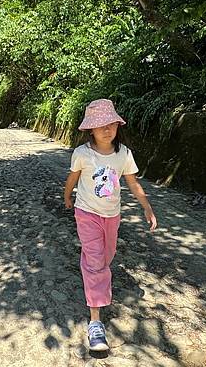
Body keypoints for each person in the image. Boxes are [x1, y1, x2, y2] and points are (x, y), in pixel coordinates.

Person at [63, 99, 157, 352]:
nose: (107, 129)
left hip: (111, 215)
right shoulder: (82, 154)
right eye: (100, 125)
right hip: (87, 213)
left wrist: (147, 207)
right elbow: (72, 177)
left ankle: (96, 275)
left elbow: (133, 183)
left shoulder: (123, 154)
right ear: (90, 129)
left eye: (111, 124)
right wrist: (67, 196)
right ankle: (95, 323)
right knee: (95, 261)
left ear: (117, 125)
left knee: (106, 256)